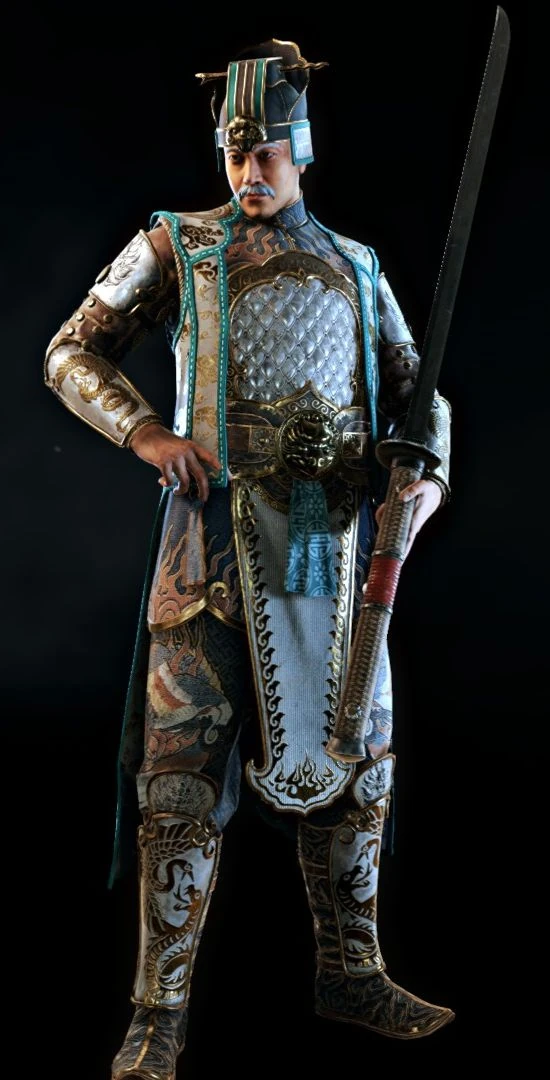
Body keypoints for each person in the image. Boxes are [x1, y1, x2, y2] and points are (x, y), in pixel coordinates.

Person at [44, 38, 453, 1079]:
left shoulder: (357, 268)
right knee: (180, 777)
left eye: (266, 154)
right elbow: (71, 352)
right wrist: (148, 433)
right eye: (235, 154)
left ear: (302, 152)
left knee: (358, 764)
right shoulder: (179, 246)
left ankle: (351, 972)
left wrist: (423, 479)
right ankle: (158, 1010)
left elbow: (419, 391)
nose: (248, 173)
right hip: (208, 552)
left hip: (327, 544)